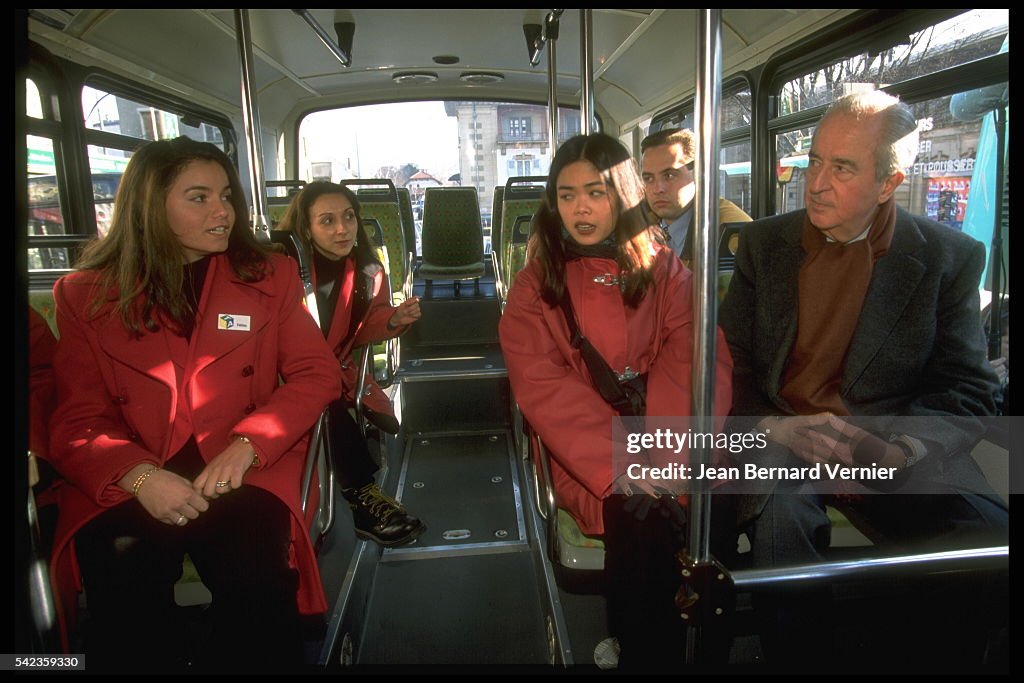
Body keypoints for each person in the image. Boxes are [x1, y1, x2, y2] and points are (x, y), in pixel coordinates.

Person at [719, 90, 1008, 669]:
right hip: (784, 437)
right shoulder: (763, 245)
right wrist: (774, 427)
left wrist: (903, 446)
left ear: (889, 183)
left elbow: (968, 386)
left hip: (886, 440)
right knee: (781, 521)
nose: (816, 183)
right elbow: (731, 368)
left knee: (987, 537)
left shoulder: (949, 257)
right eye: (815, 161)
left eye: (842, 168)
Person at [47, 136, 342, 672]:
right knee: (123, 580)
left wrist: (251, 443)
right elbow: (77, 419)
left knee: (255, 576)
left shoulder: (266, 277)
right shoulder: (85, 295)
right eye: (199, 197)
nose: (223, 211)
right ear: (149, 208)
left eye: (226, 195)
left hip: (240, 464)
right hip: (133, 464)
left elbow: (316, 372)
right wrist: (137, 476)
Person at [499, 133, 734, 669]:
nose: (580, 207)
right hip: (587, 453)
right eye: (566, 194)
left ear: (622, 194)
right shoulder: (535, 287)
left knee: (710, 509)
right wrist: (623, 463)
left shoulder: (665, 270)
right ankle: (643, 649)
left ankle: (703, 652)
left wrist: (673, 456)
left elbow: (694, 357)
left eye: (596, 192)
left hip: (673, 434)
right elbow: (544, 384)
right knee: (640, 516)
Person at [275, 181, 425, 547]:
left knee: (324, 394)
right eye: (327, 221)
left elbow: (360, 329)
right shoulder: (280, 269)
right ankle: (363, 495)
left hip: (325, 374)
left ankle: (362, 496)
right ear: (306, 228)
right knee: (319, 394)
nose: (342, 229)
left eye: (348, 217)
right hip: (275, 373)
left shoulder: (368, 273)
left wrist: (393, 320)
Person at [640, 127, 751, 265]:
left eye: (669, 175)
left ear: (699, 174)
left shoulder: (730, 233)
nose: (658, 189)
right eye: (649, 179)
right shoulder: (641, 223)